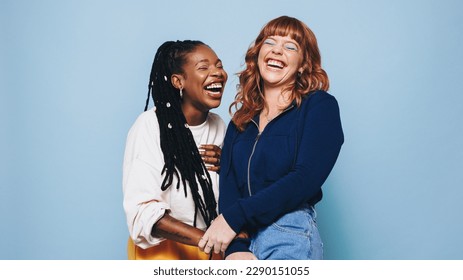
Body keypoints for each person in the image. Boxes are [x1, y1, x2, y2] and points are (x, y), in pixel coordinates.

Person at [198, 16, 344, 260]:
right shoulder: (240, 121)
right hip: (241, 238)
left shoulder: (319, 106)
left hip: (288, 231)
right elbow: (229, 186)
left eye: (290, 47)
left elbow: (305, 177)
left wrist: (234, 218)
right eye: (270, 42)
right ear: (258, 54)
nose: (277, 50)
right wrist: (236, 249)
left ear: (302, 65)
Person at [123, 40, 228, 260]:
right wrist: (209, 240)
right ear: (178, 81)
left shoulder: (219, 126)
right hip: (163, 254)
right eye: (203, 67)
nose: (217, 73)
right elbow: (143, 214)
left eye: (219, 65)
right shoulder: (150, 125)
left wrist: (230, 165)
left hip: (210, 254)